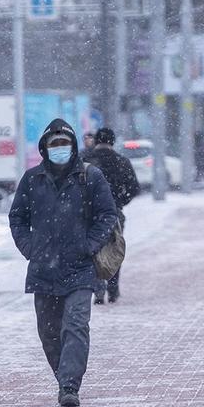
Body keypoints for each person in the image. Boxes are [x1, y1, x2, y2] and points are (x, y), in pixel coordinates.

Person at [9, 119, 119, 407]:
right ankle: (63, 377)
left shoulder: (90, 177)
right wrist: (29, 247)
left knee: (76, 325)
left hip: (80, 268)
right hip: (43, 269)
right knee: (49, 333)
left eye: (65, 144)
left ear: (73, 147)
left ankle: (70, 385)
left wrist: (89, 245)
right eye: (54, 145)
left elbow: (108, 215)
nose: (60, 149)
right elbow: (17, 217)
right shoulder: (32, 180)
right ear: (45, 148)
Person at [82, 127, 141, 305]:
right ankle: (113, 288)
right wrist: (121, 201)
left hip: (89, 214)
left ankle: (98, 288)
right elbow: (134, 187)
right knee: (114, 248)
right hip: (114, 212)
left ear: (96, 141)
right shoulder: (121, 161)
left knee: (92, 250)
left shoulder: (86, 160)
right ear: (113, 141)